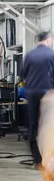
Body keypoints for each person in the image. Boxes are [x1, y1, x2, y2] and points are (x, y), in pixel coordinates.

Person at [20, 31, 54, 164]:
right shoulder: (51, 55)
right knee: (48, 125)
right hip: (48, 94)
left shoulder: (29, 55)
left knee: (33, 124)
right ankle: (49, 157)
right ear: (47, 40)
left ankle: (37, 159)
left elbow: (22, 75)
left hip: (32, 93)